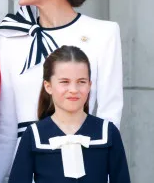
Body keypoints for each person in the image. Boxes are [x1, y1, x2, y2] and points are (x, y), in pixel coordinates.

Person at [0, 0, 123, 182]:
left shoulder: (104, 34)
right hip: (26, 170)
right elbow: (4, 131)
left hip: (84, 168)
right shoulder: (9, 38)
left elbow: (109, 120)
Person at [8, 45, 130, 183]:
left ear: (90, 85)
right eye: (64, 82)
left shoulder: (107, 132)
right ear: (48, 86)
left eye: (81, 82)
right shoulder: (34, 134)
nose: (73, 89)